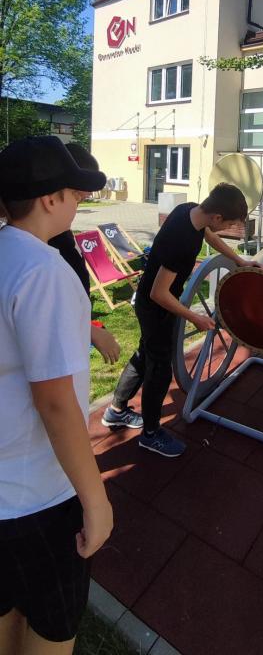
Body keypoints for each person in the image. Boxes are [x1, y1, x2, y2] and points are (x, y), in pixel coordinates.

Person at [0, 136, 113, 655]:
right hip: (38, 499)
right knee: (51, 629)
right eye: (74, 191)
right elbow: (56, 401)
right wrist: (96, 500)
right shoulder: (45, 271)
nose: (79, 201)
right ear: (49, 199)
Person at [102, 183, 262, 457]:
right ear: (217, 217)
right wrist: (195, 318)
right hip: (156, 307)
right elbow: (159, 293)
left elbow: (209, 236)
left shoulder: (189, 210)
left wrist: (240, 260)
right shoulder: (182, 240)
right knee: (159, 368)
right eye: (230, 224)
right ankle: (150, 434)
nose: (229, 229)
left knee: (145, 354)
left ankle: (116, 411)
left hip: (152, 302)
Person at [49, 143, 121, 366]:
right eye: (78, 196)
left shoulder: (57, 233)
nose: (86, 195)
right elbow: (45, 314)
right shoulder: (41, 256)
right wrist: (90, 331)